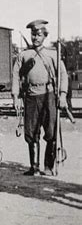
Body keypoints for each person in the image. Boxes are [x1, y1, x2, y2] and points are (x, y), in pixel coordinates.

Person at [12, 19, 68, 176]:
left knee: (51, 131)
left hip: (48, 96)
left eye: (38, 35)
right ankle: (34, 167)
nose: (35, 38)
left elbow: (63, 75)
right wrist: (15, 96)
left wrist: (62, 95)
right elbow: (15, 75)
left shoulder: (52, 55)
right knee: (31, 132)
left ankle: (49, 167)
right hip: (31, 97)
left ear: (45, 36)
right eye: (33, 34)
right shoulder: (24, 55)